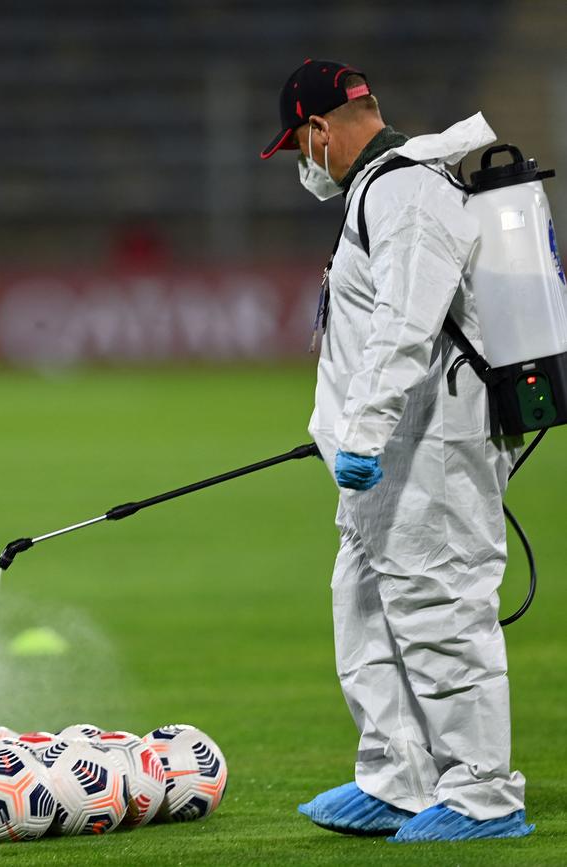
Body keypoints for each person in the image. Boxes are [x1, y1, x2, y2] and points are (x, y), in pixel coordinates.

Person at [260, 59, 534, 843]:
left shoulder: (407, 189)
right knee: (368, 605)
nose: (302, 164)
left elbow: (406, 324)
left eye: (297, 147)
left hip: (428, 442)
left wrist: (366, 429)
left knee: (440, 607)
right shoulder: (385, 190)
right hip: (392, 447)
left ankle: (484, 792)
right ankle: (399, 775)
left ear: (316, 130)